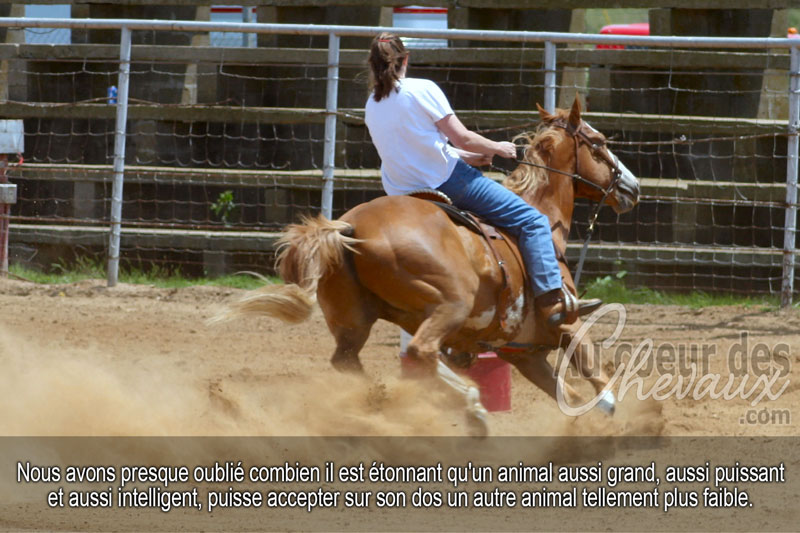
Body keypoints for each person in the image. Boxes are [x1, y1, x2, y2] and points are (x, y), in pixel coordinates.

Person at [364, 32, 601, 326]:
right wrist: (497, 148)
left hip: (400, 193)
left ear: (374, 63)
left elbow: (415, 147)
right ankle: (551, 299)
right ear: (406, 59)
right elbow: (462, 136)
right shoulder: (422, 89)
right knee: (532, 221)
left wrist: (464, 156)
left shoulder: (372, 104)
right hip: (447, 183)